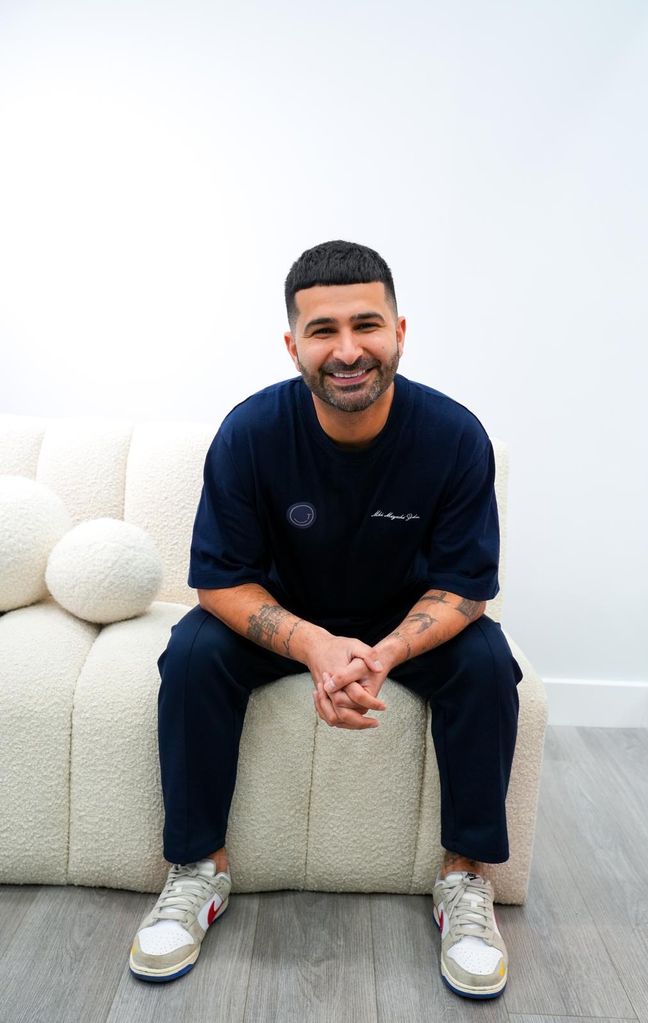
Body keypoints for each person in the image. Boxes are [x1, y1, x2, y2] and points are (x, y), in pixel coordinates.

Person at [128, 239, 523, 1000]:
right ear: (293, 344)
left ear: (400, 331)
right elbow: (218, 580)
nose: (348, 350)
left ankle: (466, 882)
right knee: (191, 651)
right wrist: (313, 644)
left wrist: (377, 655)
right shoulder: (250, 431)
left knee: (484, 660)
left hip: (406, 622)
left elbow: (465, 588)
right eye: (323, 330)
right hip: (285, 615)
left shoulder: (454, 436)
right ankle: (197, 872)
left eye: (367, 325)